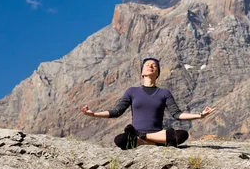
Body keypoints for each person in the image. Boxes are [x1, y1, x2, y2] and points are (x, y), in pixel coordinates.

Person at [79, 57, 217, 149]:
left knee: (182, 135)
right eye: (147, 65)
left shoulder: (164, 93)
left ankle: (144, 138)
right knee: (120, 140)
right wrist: (93, 114)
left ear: (157, 73)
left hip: (156, 134)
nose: (151, 66)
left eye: (154, 65)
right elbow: (117, 111)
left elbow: (177, 114)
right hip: (153, 138)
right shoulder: (132, 91)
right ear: (142, 73)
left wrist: (200, 115)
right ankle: (149, 140)